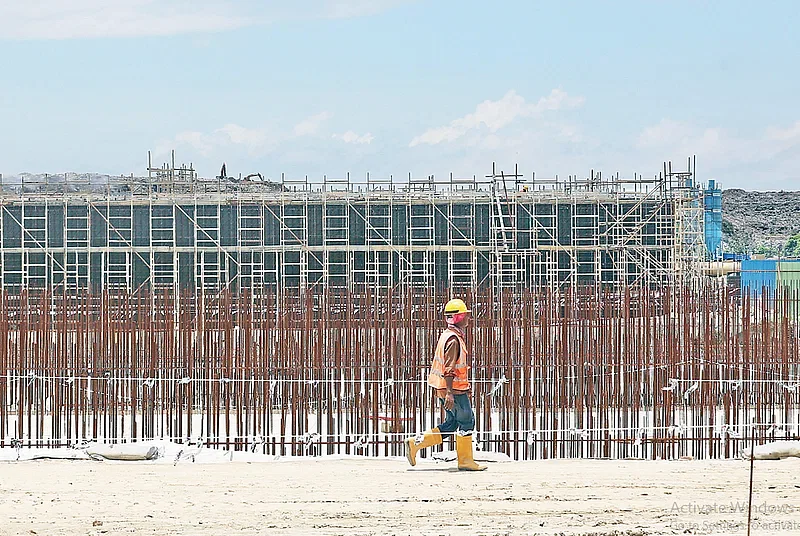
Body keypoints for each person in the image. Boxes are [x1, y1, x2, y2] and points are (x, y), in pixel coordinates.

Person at [404, 298, 486, 471]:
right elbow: (449, 368)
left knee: (451, 424)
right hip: (453, 390)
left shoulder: (446, 335)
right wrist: (450, 392)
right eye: (466, 316)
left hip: (444, 388)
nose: (468, 319)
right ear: (459, 318)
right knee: (467, 422)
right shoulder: (453, 340)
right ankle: (465, 461)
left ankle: (415, 443)